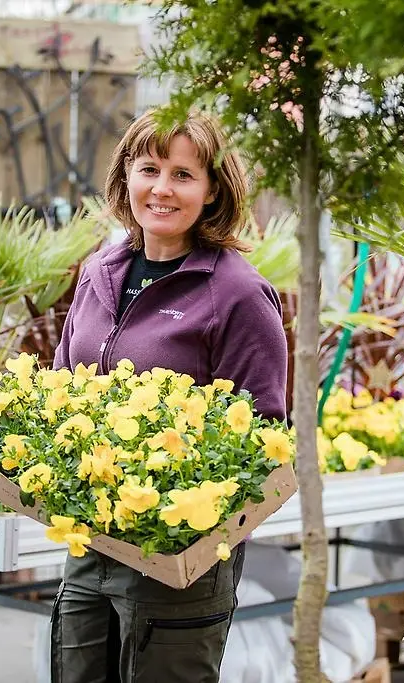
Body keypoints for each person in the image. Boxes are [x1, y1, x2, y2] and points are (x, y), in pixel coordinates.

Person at [49, 109, 289, 682]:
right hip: (88, 543)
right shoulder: (99, 272)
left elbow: (263, 439)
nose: (161, 188)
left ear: (211, 192)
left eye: (183, 174)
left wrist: (187, 533)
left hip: (178, 556)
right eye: (149, 168)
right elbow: (60, 386)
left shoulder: (237, 294)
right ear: (125, 177)